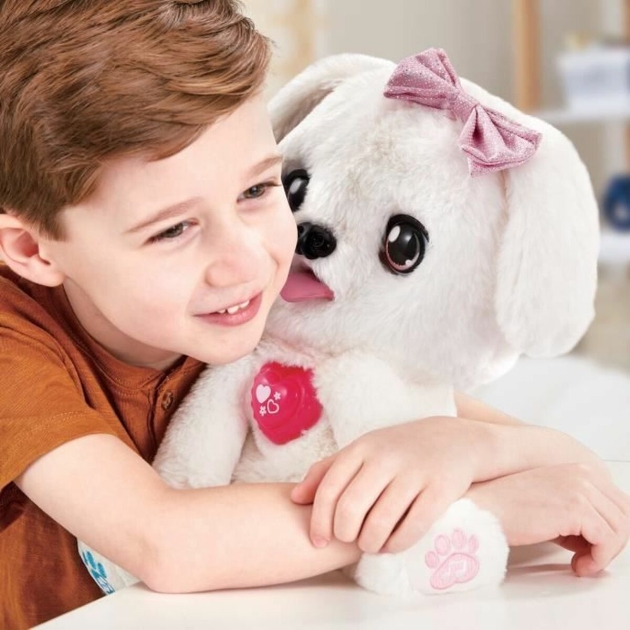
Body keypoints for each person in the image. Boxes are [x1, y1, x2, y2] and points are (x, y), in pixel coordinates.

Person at [0, 1, 628, 628]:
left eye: (257, 190)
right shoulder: (13, 343)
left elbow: (567, 468)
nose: (248, 261)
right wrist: (465, 512)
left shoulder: (267, 308)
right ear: (32, 249)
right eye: (173, 230)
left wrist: (461, 445)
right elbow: (166, 543)